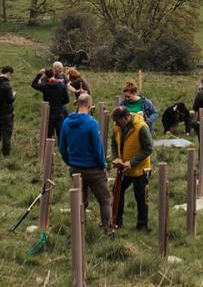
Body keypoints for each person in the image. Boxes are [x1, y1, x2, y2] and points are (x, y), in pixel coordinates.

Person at [59, 93, 112, 235]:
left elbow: (62, 148)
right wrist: (102, 165)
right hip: (93, 169)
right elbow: (98, 149)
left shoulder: (66, 123)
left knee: (81, 201)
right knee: (105, 199)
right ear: (89, 105)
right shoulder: (91, 123)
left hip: (75, 169)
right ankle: (108, 231)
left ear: (77, 104)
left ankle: (79, 231)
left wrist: (70, 162)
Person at [110, 106, 153, 231]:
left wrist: (132, 162)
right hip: (123, 168)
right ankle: (116, 222)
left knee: (141, 197)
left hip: (140, 169)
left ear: (126, 118)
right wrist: (116, 157)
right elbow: (114, 143)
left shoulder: (141, 127)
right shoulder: (117, 126)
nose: (117, 124)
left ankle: (142, 225)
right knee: (117, 191)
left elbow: (149, 148)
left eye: (118, 121)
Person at [32, 67, 70, 140]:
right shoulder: (61, 86)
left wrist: (39, 74)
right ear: (54, 73)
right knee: (60, 136)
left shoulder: (45, 86)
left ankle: (47, 150)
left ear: (46, 76)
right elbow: (67, 100)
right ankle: (61, 150)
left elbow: (33, 84)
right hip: (59, 112)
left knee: (48, 135)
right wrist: (60, 103)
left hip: (49, 113)